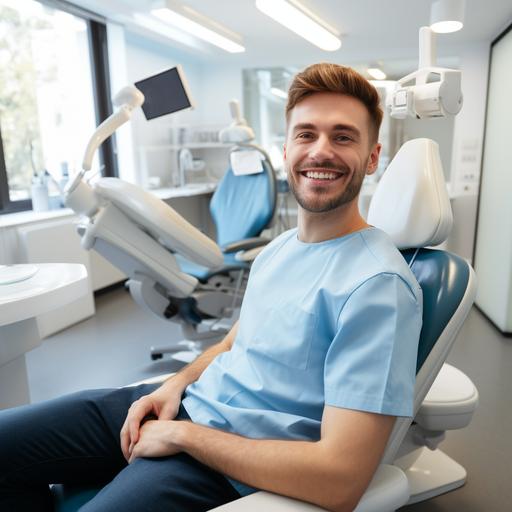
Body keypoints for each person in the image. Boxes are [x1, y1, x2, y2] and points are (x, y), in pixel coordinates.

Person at [0, 63, 422, 512]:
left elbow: (341, 479)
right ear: (286, 150)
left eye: (342, 137)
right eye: (306, 134)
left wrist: (185, 436)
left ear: (373, 157)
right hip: (178, 404)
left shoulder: (378, 287)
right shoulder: (279, 250)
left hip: (221, 459)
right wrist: (174, 385)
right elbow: (229, 343)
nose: (321, 151)